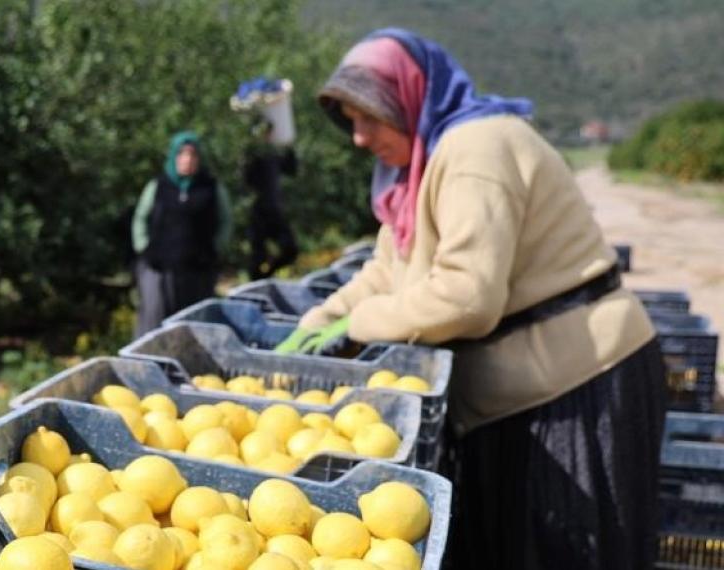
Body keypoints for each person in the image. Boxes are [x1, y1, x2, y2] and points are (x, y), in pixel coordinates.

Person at [283, 28, 665, 569]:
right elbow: (387, 271)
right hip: (517, 392)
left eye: (369, 115)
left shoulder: (475, 150)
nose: (359, 138)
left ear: (407, 96)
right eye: (350, 121)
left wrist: (359, 325)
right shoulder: (416, 167)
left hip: (575, 381)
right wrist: (319, 320)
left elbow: (470, 295)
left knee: (570, 552)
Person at [132, 131, 232, 336]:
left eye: (192, 155)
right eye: (182, 154)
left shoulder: (211, 187)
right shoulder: (158, 185)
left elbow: (226, 221)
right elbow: (140, 218)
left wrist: (216, 248)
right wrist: (143, 247)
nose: (187, 159)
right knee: (153, 320)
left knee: (193, 323)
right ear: (174, 157)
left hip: (197, 268)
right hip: (159, 267)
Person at [244, 118, 300, 279]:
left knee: (290, 249)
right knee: (257, 257)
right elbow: (247, 179)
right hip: (258, 213)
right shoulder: (253, 157)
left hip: (275, 210)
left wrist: (288, 146)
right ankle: (256, 285)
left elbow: (291, 169)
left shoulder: (273, 157)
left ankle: (268, 274)